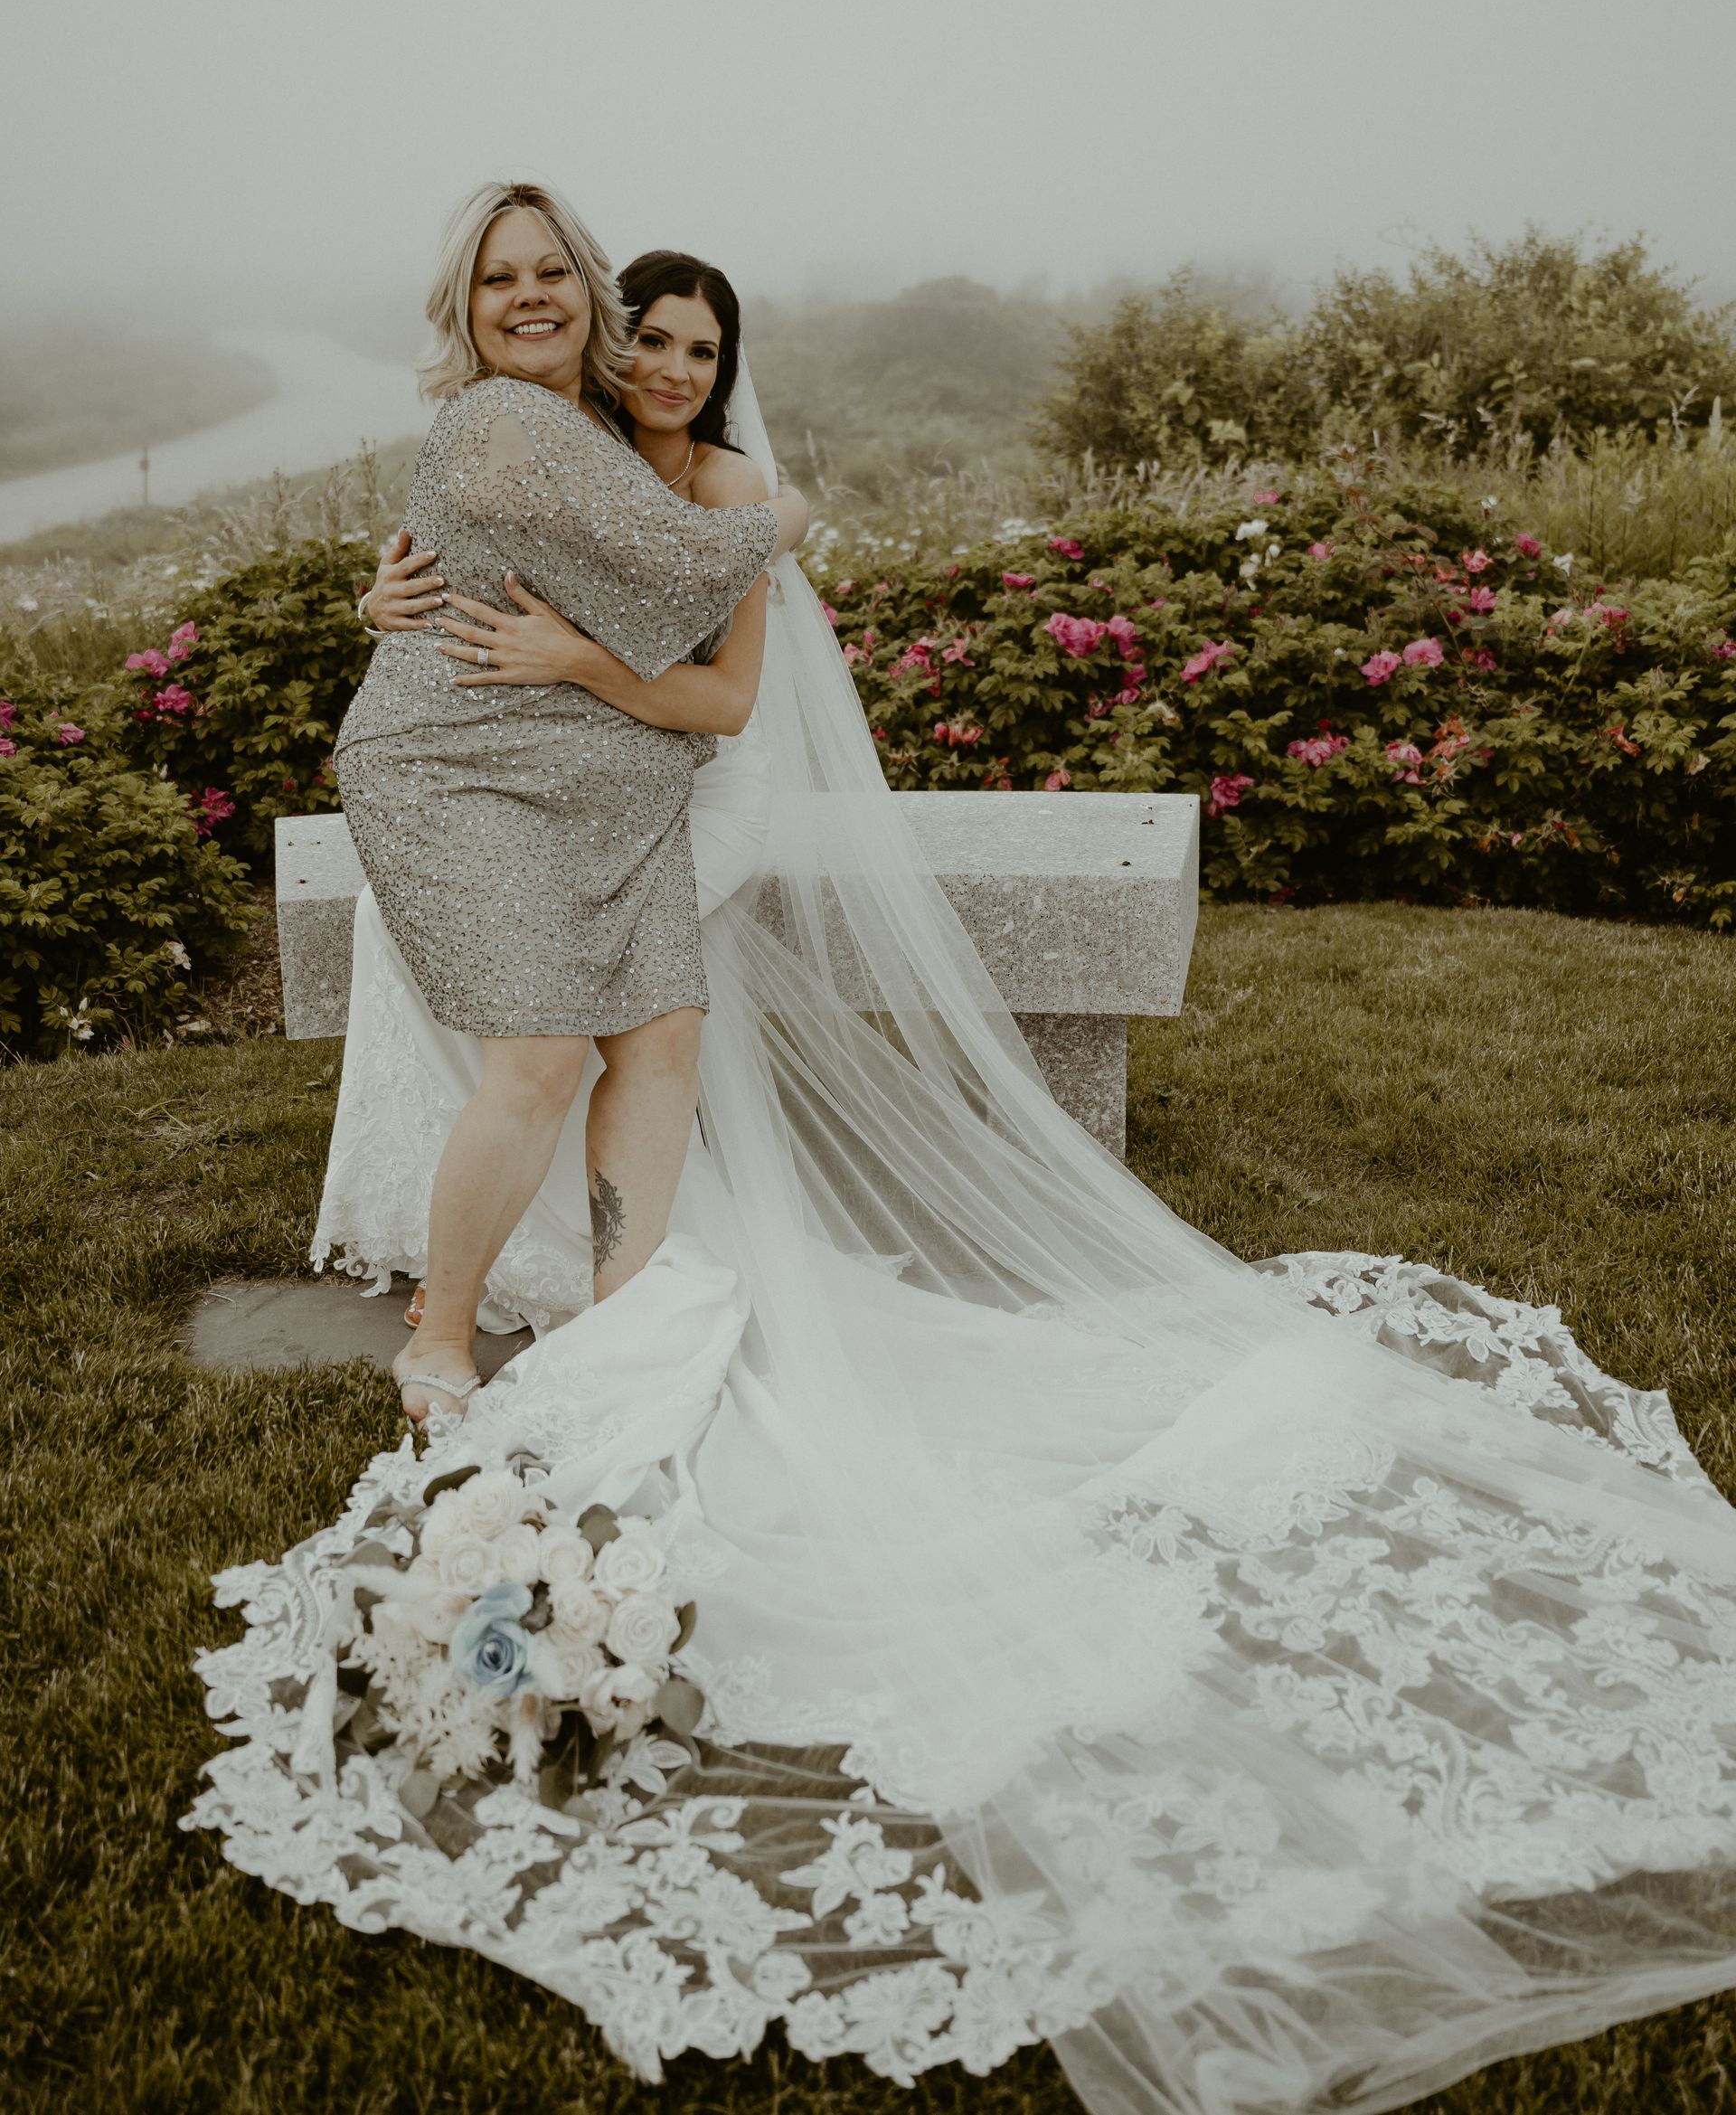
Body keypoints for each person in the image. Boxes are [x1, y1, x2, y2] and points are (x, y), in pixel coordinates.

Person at [192, 278, 1736, 2115]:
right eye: (649, 341)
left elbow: (724, 693)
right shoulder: (576, 459)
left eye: (696, 346)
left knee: (642, 1043)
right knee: (581, 1045)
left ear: (725, 368)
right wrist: (408, 610)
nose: (668, 365)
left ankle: (598, 1283)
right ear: (611, 359)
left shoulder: (721, 494)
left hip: (680, 789)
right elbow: (470, 565)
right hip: (554, 800)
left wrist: (579, 676)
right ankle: (579, 1279)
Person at [329, 185, 807, 1421]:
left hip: (621, 776)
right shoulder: (503, 416)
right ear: (468, 311)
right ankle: (438, 1336)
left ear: (588, 293)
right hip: (464, 766)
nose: (531, 294)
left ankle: (626, 1317)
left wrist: (587, 652)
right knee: (541, 1053)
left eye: (553, 272)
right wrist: (785, 520)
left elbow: (701, 662)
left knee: (661, 1035)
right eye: (501, 279)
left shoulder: (589, 429)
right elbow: (680, 561)